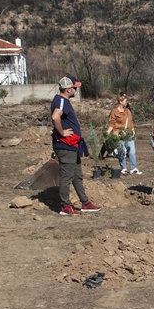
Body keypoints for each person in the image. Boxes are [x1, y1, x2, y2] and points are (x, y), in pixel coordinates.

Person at [51, 76, 101, 216]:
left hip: (73, 145)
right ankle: (65, 206)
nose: (76, 90)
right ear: (68, 89)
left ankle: (85, 203)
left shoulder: (63, 101)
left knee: (77, 175)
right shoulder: (61, 101)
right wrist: (61, 132)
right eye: (75, 87)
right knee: (67, 176)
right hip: (66, 145)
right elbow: (55, 117)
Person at [107, 93, 139, 175]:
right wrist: (108, 132)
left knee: (132, 151)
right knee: (121, 151)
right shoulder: (114, 111)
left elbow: (131, 123)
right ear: (121, 101)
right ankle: (123, 168)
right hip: (119, 133)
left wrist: (133, 133)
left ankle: (133, 168)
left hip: (128, 133)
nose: (126, 102)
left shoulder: (128, 111)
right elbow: (112, 123)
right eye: (125, 101)